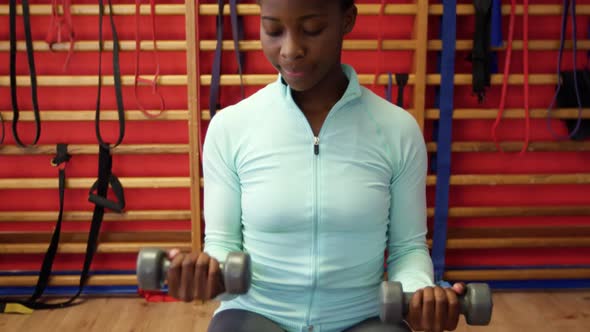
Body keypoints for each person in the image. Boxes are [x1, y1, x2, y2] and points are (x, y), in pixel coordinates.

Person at [166, 0, 465, 331]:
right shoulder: (231, 127)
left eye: (312, 29)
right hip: (256, 314)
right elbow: (223, 244)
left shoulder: (397, 130)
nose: (291, 50)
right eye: (273, 30)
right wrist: (208, 272)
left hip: (361, 317)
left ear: (346, 19)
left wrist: (419, 293)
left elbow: (406, 248)